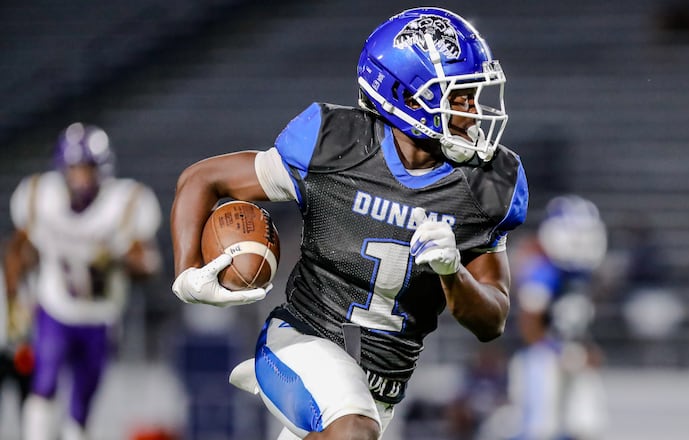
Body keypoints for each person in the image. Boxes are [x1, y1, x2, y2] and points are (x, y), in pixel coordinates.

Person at [169, 7, 528, 440]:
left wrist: (453, 272)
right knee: (353, 430)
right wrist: (187, 271)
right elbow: (203, 178)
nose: (474, 113)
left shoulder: (488, 183)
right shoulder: (336, 144)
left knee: (356, 426)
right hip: (303, 340)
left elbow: (492, 321)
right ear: (406, 97)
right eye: (459, 97)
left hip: (380, 392)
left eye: (474, 95)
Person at [3, 122, 163, 440]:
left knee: (81, 406)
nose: (81, 177)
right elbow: (17, 249)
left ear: (102, 170)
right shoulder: (41, 196)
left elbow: (148, 264)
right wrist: (13, 297)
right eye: (75, 169)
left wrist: (115, 258)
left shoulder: (123, 203)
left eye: (88, 169)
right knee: (43, 386)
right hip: (55, 307)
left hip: (100, 315)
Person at [508, 195, 608, 440]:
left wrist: (586, 349)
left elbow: (576, 323)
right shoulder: (543, 270)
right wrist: (555, 351)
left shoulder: (582, 276)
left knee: (585, 424)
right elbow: (529, 322)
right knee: (541, 426)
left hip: (572, 356)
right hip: (541, 357)